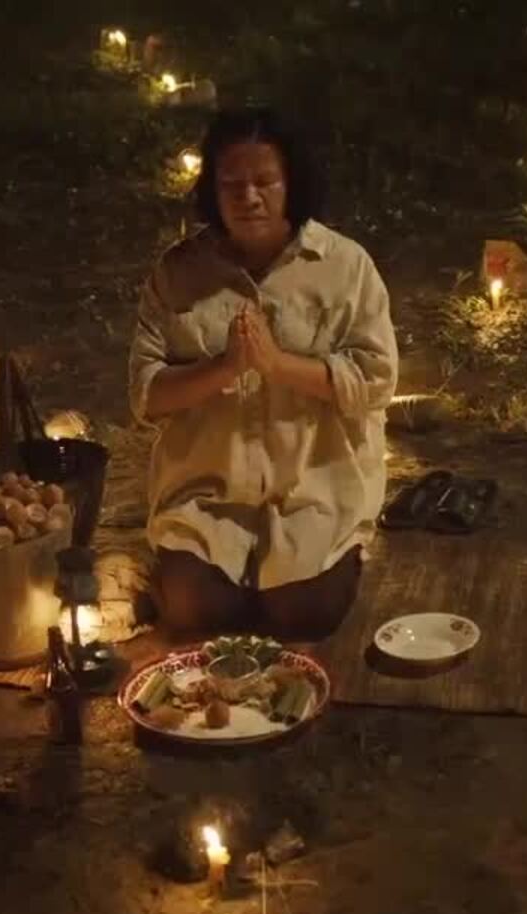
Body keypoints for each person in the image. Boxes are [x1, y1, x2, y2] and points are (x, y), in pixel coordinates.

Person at [128, 107, 397, 640]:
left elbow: (376, 379)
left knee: (303, 613)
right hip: (209, 493)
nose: (248, 197)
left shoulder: (344, 268)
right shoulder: (178, 274)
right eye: (232, 184)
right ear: (212, 189)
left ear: (290, 184)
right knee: (197, 611)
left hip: (312, 486)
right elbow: (146, 395)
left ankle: (321, 562)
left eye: (264, 182)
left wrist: (276, 365)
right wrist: (225, 367)